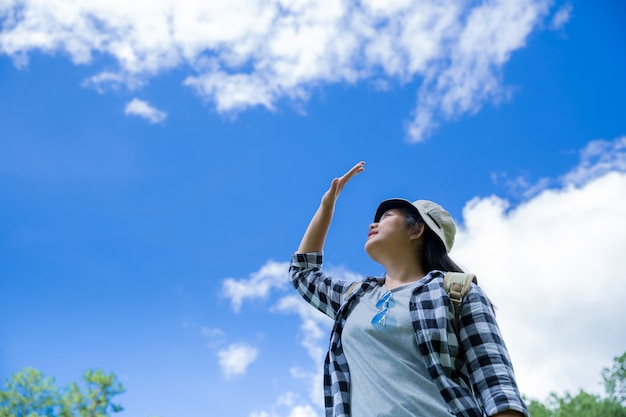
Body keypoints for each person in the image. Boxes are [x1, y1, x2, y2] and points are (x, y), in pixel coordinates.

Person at [289, 161, 529, 417]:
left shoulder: (456, 292)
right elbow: (303, 273)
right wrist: (327, 206)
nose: (372, 225)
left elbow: (497, 386)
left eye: (386, 218)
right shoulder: (354, 298)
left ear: (416, 229)